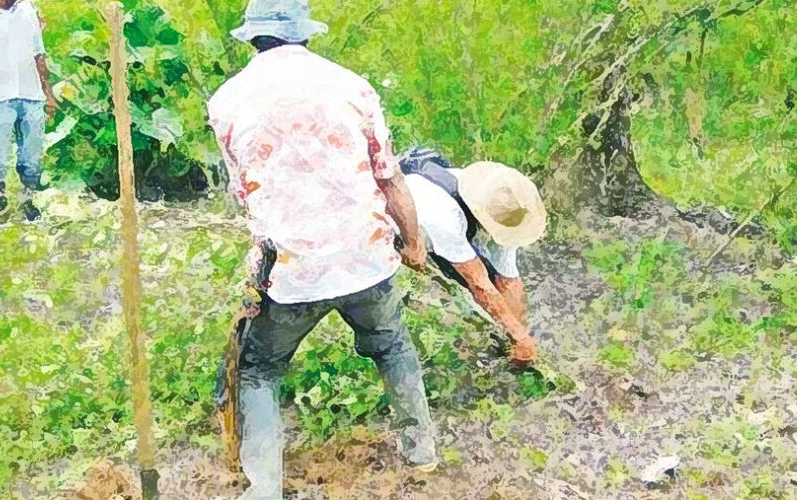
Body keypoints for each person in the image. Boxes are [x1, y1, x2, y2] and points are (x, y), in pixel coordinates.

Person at [207, 1, 437, 498]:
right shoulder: (351, 86)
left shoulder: (226, 101)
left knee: (259, 369)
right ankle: (422, 454)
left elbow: (244, 191)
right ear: (306, 35)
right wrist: (413, 242)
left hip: (288, 269)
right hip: (367, 255)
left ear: (252, 38)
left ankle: (263, 487)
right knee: (392, 346)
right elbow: (389, 175)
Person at [399, 148, 547, 363]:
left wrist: (521, 330)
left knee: (492, 283)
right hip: (405, 229)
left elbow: (509, 280)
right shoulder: (444, 214)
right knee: (464, 292)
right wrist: (519, 338)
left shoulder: (505, 208)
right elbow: (479, 283)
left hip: (457, 223)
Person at [0, 0, 57, 221]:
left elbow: (39, 56)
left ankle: (28, 200)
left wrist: (48, 93)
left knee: (32, 154)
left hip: (31, 94)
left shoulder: (28, 11)